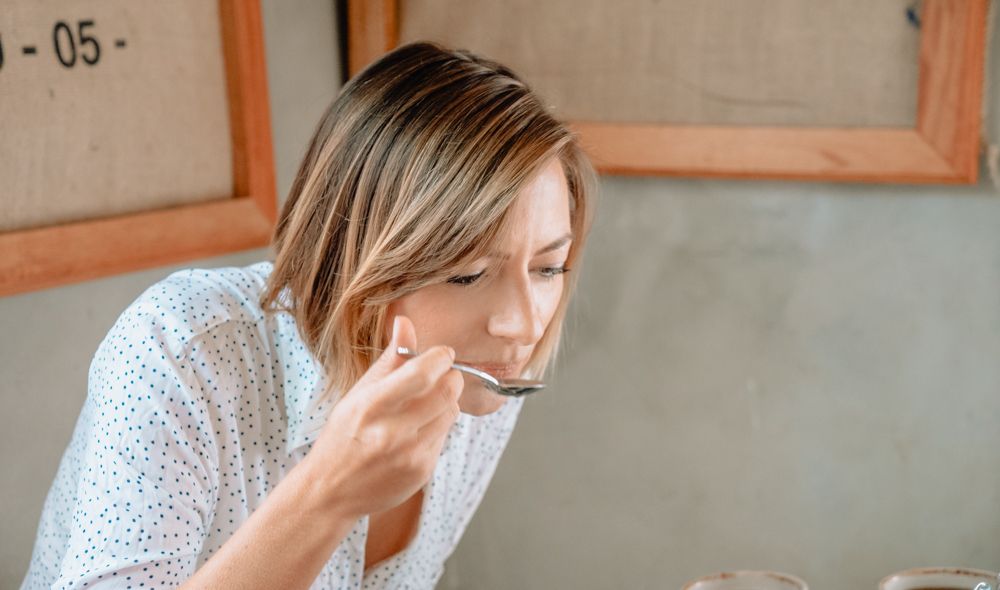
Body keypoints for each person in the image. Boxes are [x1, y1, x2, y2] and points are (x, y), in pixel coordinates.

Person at [22, 41, 594, 589]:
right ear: (356, 256)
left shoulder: (480, 382)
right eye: (468, 274)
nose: (521, 325)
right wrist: (329, 494)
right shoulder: (178, 350)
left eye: (548, 268)